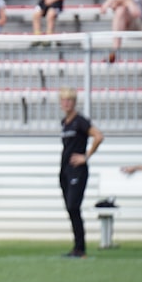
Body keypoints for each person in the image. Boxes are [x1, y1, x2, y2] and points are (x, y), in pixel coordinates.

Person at [58, 87, 104, 259]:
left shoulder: (80, 121)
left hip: (78, 170)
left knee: (73, 206)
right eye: (63, 100)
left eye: (69, 100)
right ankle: (76, 247)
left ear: (74, 102)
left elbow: (98, 136)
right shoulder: (65, 123)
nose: (66, 103)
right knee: (70, 209)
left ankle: (81, 249)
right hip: (65, 170)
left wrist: (86, 156)